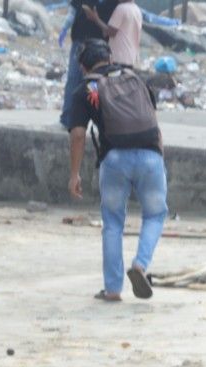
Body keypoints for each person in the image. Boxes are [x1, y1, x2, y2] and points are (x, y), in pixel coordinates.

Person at [67, 39, 167, 302]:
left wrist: (74, 174)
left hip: (114, 160)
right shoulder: (136, 78)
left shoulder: (85, 89)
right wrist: (158, 158)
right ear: (109, 57)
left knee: (112, 223)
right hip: (150, 156)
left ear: (82, 65)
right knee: (155, 215)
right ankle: (140, 265)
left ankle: (113, 290)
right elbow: (153, 121)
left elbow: (78, 135)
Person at [60, 0, 119, 131]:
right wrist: (65, 27)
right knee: (74, 79)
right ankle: (69, 119)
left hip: (100, 42)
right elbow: (73, 11)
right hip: (81, 39)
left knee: (95, 82)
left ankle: (98, 120)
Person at [87, 0, 142, 69]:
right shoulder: (136, 9)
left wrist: (95, 18)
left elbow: (110, 32)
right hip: (131, 58)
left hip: (119, 57)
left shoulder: (121, 8)